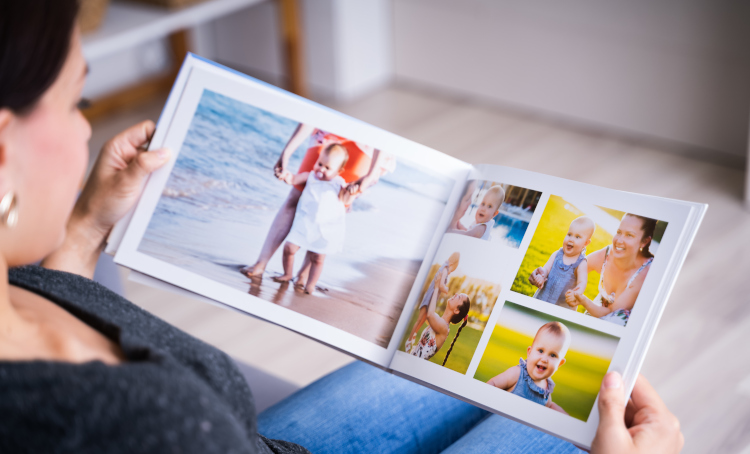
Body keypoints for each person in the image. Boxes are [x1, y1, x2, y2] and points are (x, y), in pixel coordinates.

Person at [0, 2, 683, 452]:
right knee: (588, 419)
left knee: (536, 391)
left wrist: (88, 225)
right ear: (4, 148)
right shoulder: (133, 426)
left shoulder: (17, 282)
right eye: (77, 99)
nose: (87, 126)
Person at [240, 124, 394, 279]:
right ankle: (261, 263)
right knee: (296, 194)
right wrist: (285, 154)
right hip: (329, 127)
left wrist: (370, 175)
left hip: (369, 141)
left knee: (337, 203)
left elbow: (383, 126)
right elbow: (308, 118)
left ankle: (304, 274)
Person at [273, 143, 353, 294]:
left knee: (318, 258)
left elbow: (345, 199)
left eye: (327, 168)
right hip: (304, 223)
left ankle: (310, 284)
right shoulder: (310, 176)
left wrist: (350, 190)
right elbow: (293, 179)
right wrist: (285, 175)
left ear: (338, 171)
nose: (321, 169)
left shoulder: (338, 183)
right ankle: (288, 273)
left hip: (324, 228)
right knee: (289, 248)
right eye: (320, 164)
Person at [566, 213, 656, 326]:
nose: (619, 240)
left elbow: (610, 313)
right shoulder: (607, 254)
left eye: (629, 235)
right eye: (619, 232)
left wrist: (583, 300)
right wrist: (544, 273)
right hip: (598, 309)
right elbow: (573, 270)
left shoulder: (646, 273)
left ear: (645, 241)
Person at [486, 322, 570, 414]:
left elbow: (545, 412)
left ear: (559, 364)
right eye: (541, 351)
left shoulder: (546, 393)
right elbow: (493, 384)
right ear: (529, 352)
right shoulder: (517, 374)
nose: (544, 359)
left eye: (553, 355)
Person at [530, 216, 594, 309]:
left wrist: (576, 293)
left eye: (577, 237)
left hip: (561, 306)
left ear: (586, 243)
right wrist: (541, 276)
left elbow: (582, 283)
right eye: (569, 234)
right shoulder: (557, 254)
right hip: (542, 299)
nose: (571, 239)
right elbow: (546, 269)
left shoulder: (581, 263)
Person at [404, 252, 460, 353]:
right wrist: (448, 290)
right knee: (420, 319)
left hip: (431, 298)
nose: (451, 272)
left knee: (423, 319)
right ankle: (409, 340)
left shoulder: (444, 268)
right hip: (429, 297)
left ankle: (414, 335)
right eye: (453, 270)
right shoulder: (445, 269)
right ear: (452, 264)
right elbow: (441, 285)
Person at [410, 289, 471, 367]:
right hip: (411, 362)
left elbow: (429, 314)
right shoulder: (438, 320)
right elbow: (428, 309)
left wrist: (436, 288)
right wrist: (438, 287)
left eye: (459, 297)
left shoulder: (444, 328)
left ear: (456, 310)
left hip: (414, 366)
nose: (455, 294)